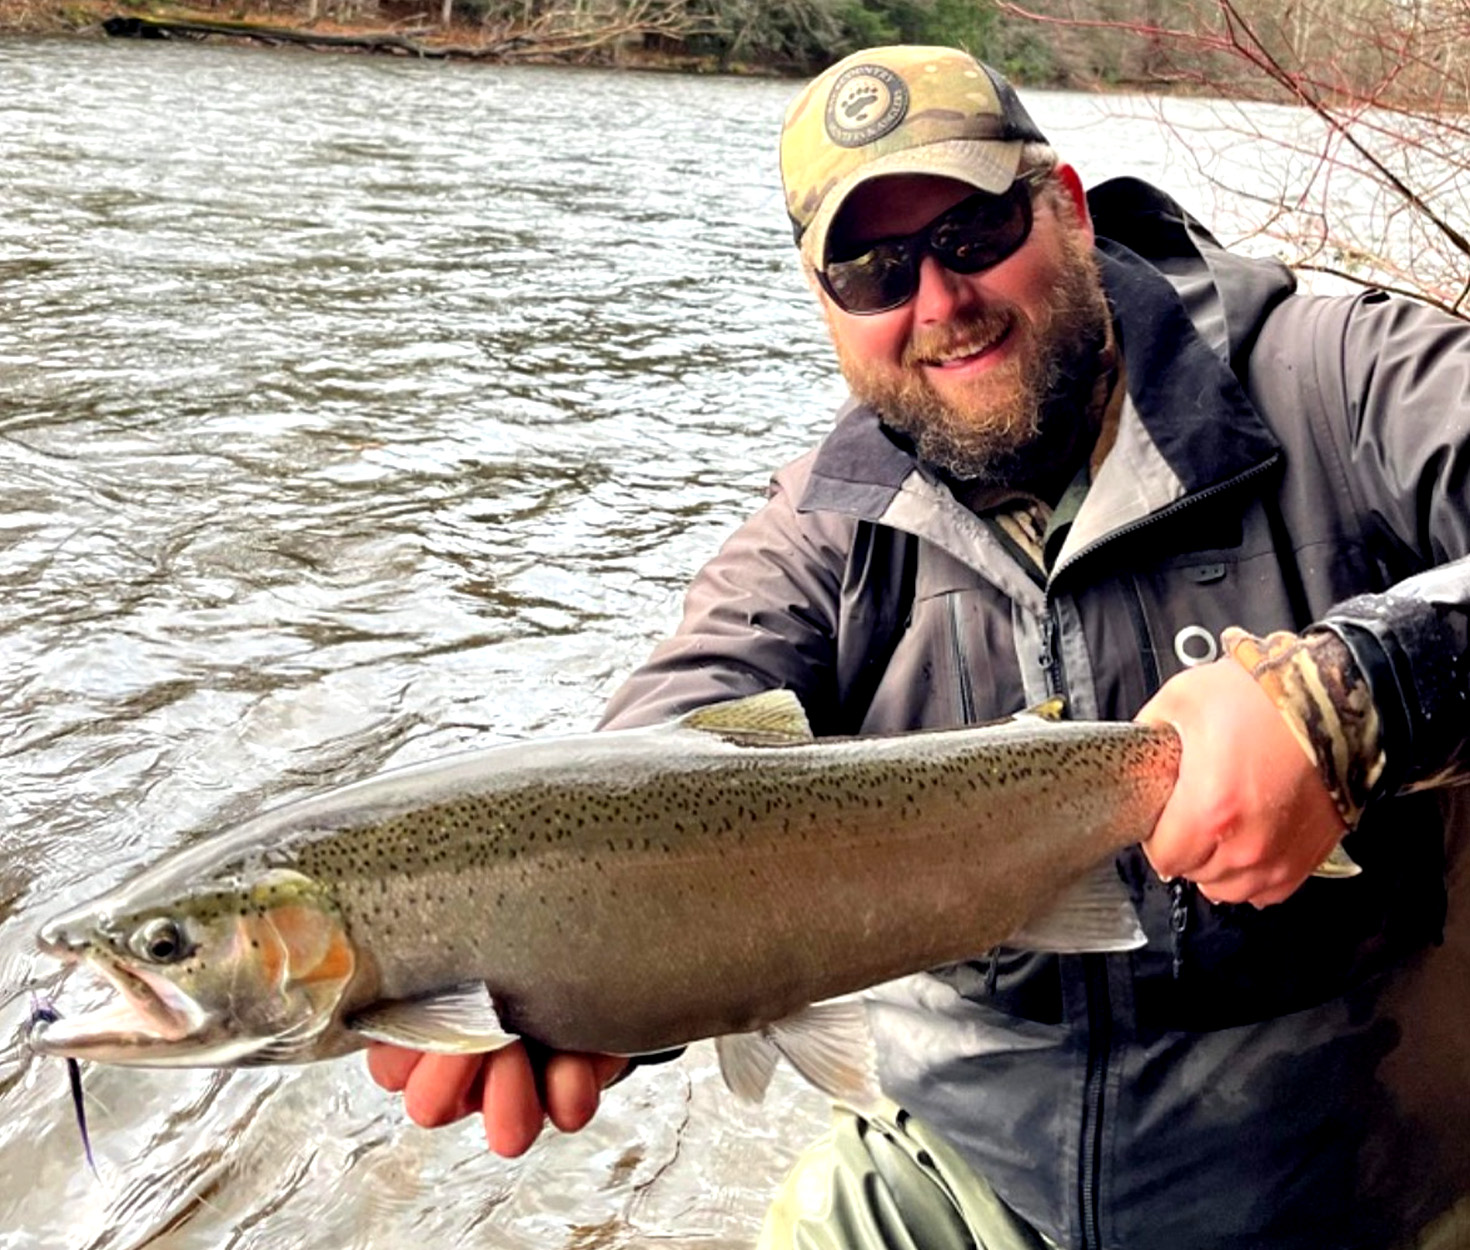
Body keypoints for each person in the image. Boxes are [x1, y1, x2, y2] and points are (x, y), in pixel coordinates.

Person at [367, 45, 1470, 1250]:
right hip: (967, 1174)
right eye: (874, 266)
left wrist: (1360, 696)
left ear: (1070, 208)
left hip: (1357, 1173)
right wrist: (593, 969)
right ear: (825, 304)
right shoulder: (820, 534)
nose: (940, 301)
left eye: (975, 229)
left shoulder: (1339, 381)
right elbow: (653, 765)